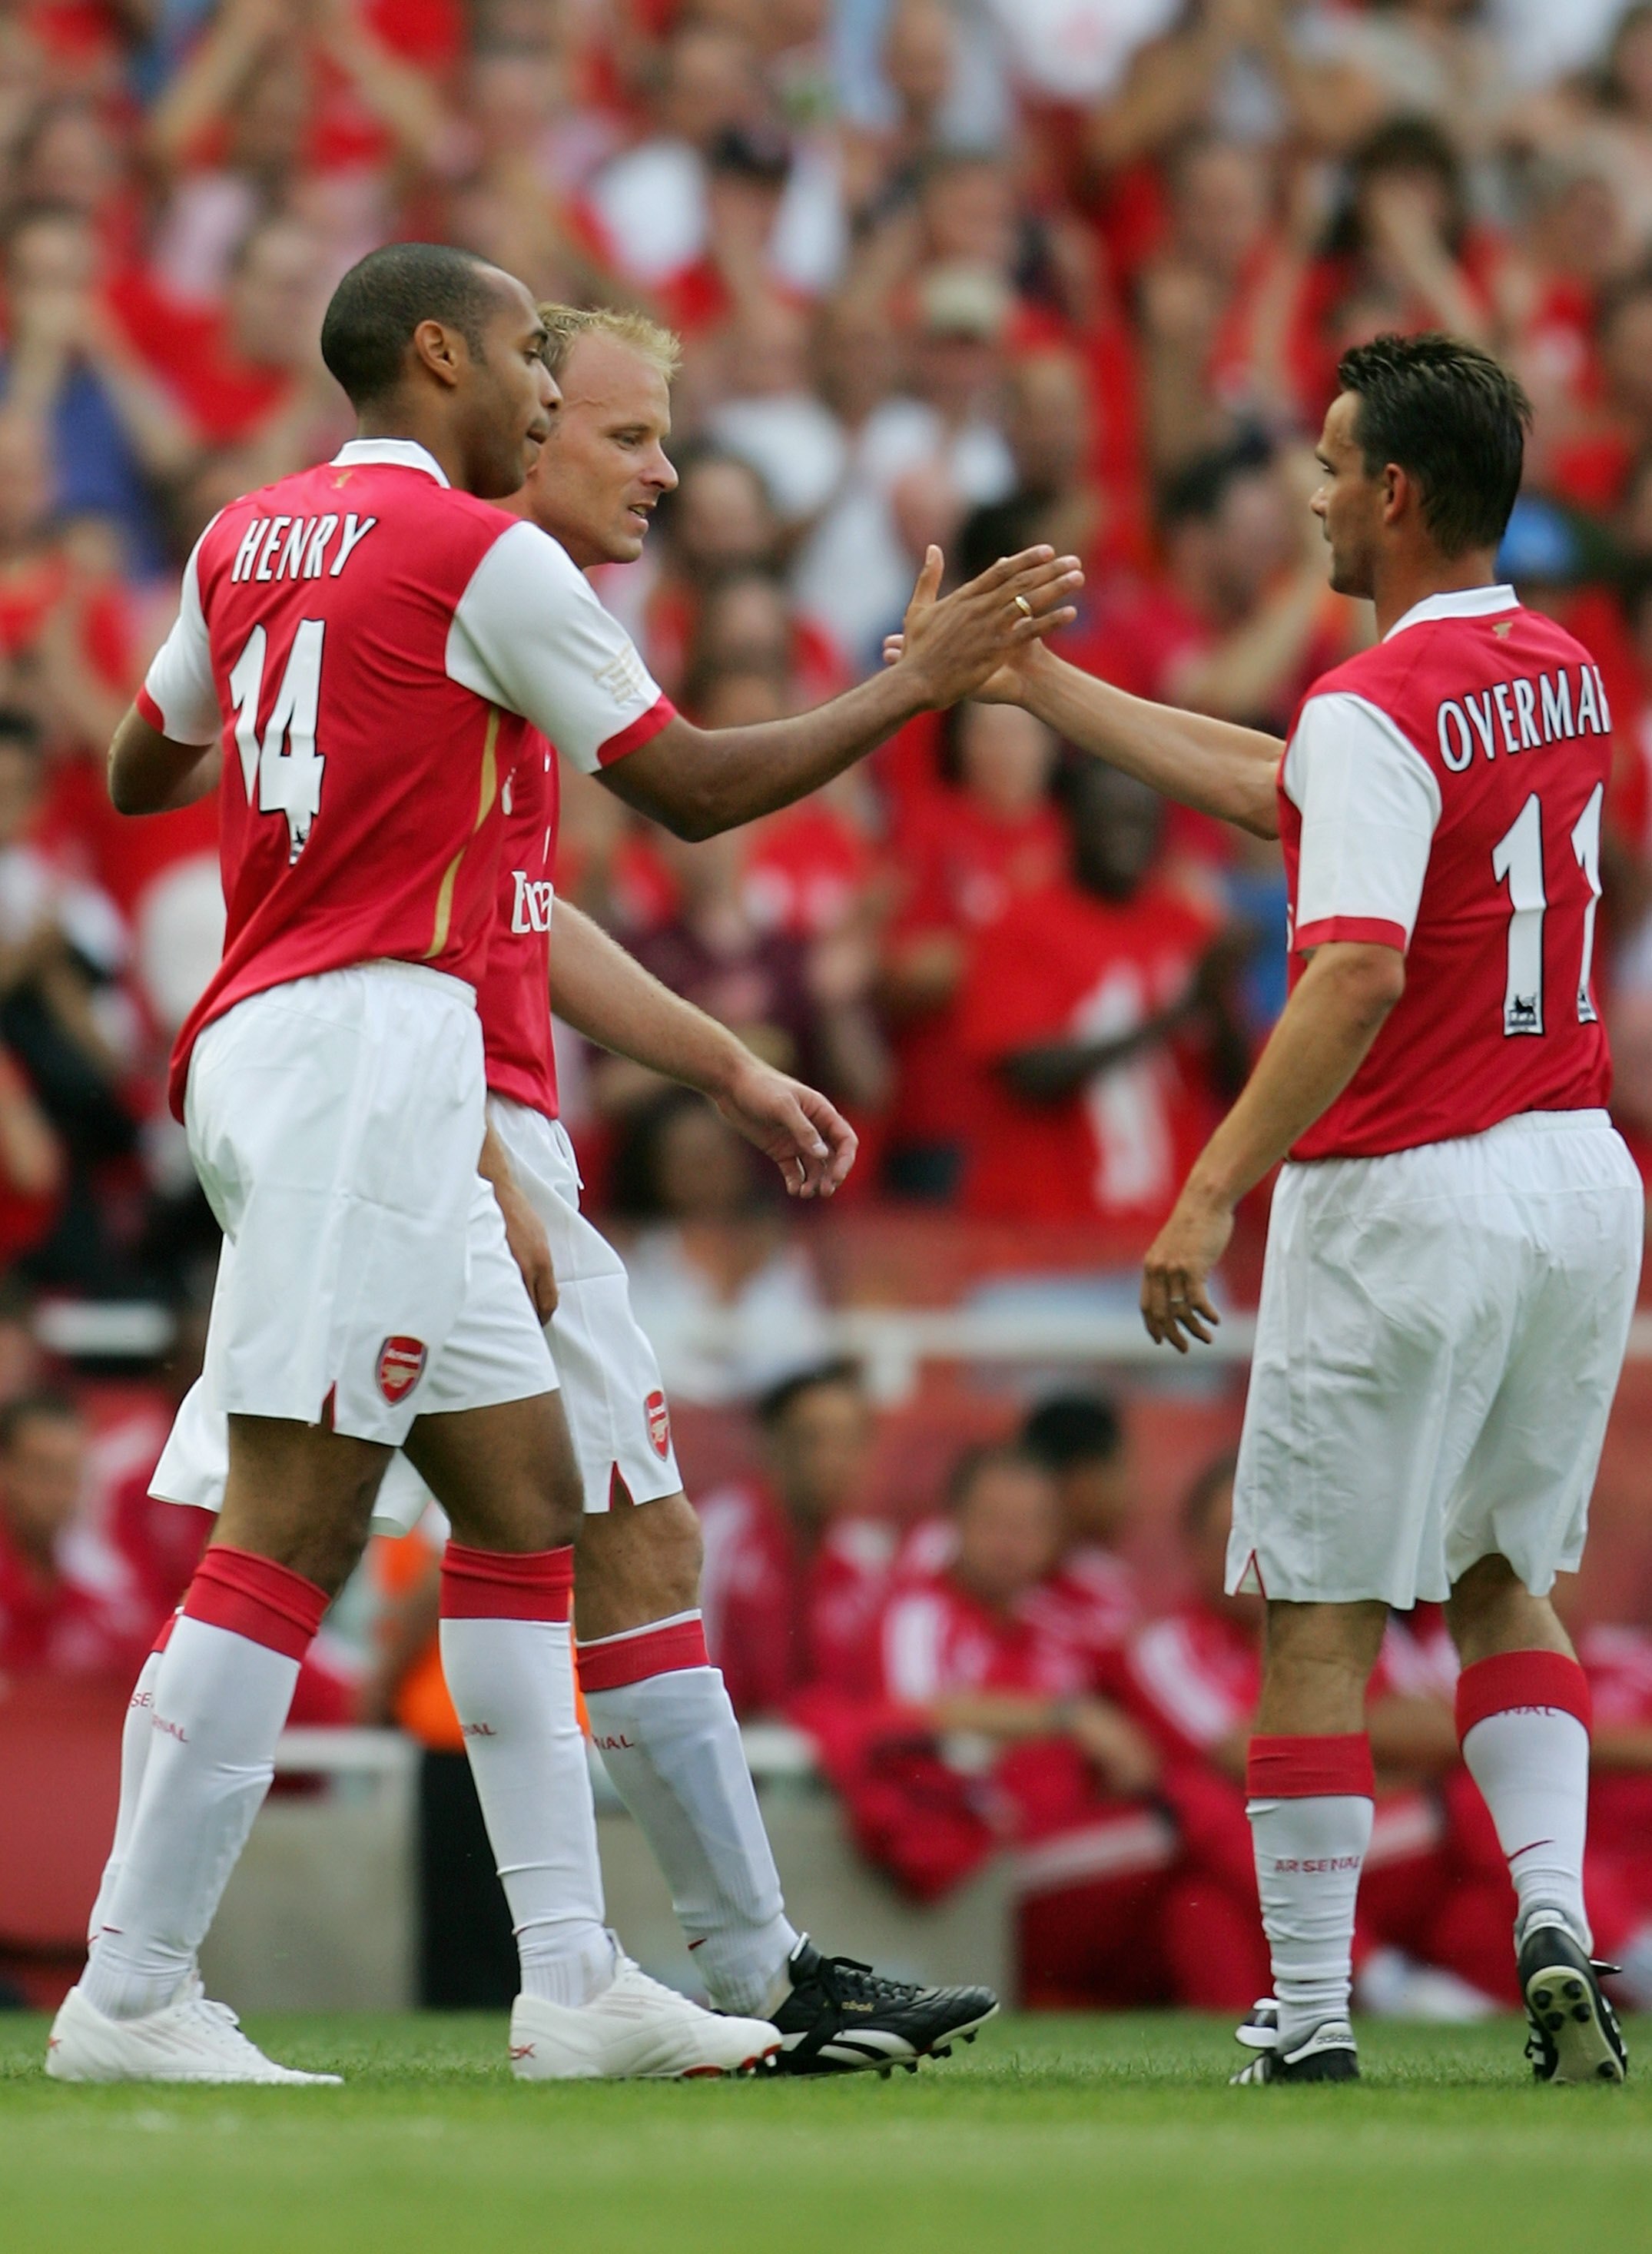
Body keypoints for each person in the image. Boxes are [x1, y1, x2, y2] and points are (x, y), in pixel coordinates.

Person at [87, 272, 1073, 2086]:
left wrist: (315, 791)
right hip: (370, 1059)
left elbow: (146, 763)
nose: (553, 398)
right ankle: (132, 1991)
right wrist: (914, 686)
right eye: (540, 362)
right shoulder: (479, 557)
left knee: (532, 1505)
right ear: (443, 355)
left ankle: (572, 1982)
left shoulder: (246, 533)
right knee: (293, 1525)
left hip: (330, 1046)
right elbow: (694, 791)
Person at [960, 330, 1644, 2085]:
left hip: (1406, 1188)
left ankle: (1312, 2019)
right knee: (1506, 1576)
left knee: (1317, 1612)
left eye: (1336, 465)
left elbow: (1347, 970)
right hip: (1575, 1178)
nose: (1317, 492)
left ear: (1396, 494)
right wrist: (1043, 688)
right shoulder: (1555, 665)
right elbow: (1293, 786)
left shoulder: (1371, 706)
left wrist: (1205, 1190)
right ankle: (1553, 1908)